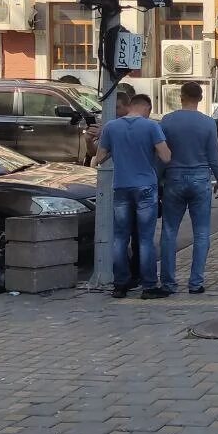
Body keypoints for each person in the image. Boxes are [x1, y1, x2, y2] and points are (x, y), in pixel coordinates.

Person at [92, 94, 171, 299]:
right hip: (145, 187)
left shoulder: (111, 127)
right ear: (146, 108)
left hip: (121, 187)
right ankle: (149, 286)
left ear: (130, 106)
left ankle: (120, 285)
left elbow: (99, 158)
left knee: (120, 238)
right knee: (145, 239)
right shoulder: (151, 127)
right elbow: (166, 156)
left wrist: (115, 151)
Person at [159, 81, 218, 295]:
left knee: (169, 232)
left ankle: (168, 283)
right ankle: (195, 283)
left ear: (181, 96)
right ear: (201, 98)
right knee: (202, 233)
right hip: (199, 179)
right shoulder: (208, 123)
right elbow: (214, 156)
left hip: (174, 178)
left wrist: (159, 178)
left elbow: (160, 154)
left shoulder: (167, 121)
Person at [85, 91, 142, 287]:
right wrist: (89, 140)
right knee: (124, 235)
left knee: (134, 236)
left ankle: (134, 276)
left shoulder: (134, 124)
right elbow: (98, 156)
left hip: (134, 186)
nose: (114, 113)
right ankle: (125, 279)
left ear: (128, 106)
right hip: (125, 186)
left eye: (116, 108)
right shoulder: (112, 128)